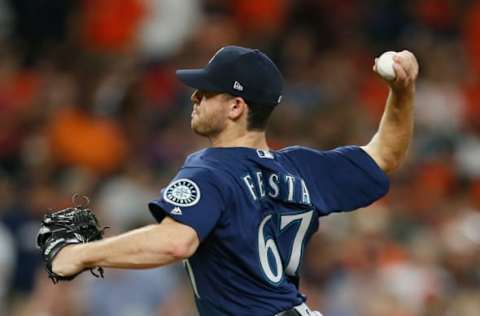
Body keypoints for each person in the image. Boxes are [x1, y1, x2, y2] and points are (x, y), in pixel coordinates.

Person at [51, 46, 419, 316]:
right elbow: (385, 155)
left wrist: (80, 254)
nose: (195, 97)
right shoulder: (302, 167)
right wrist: (402, 91)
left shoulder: (209, 170)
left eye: (208, 92)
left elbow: (175, 242)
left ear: (236, 107)